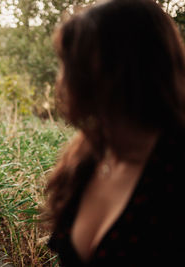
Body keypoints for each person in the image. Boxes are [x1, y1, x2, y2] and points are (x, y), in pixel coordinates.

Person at [42, 0, 185, 266]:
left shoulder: (174, 169)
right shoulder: (88, 155)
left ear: (117, 71)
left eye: (72, 64)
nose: (61, 79)